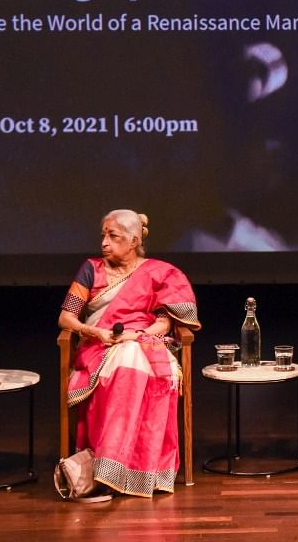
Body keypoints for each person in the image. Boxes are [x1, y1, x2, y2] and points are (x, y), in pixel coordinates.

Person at [58, 210, 200, 497]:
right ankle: (109, 466)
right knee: (127, 359)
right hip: (99, 346)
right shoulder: (90, 269)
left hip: (145, 344)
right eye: (103, 236)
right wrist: (95, 332)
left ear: (134, 240)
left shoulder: (159, 273)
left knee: (135, 358)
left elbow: (166, 321)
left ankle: (122, 469)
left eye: (113, 236)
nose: (105, 243)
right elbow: (66, 318)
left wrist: (142, 336)